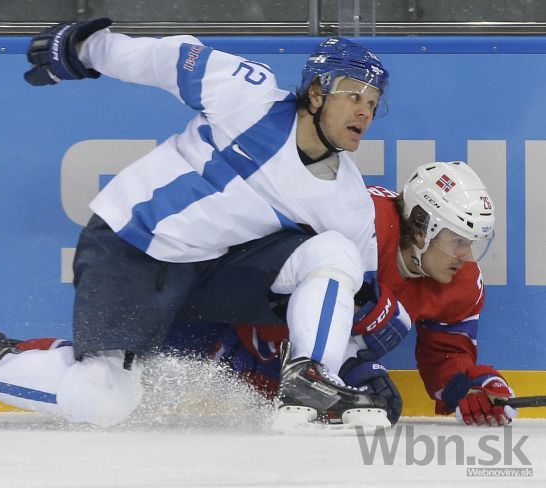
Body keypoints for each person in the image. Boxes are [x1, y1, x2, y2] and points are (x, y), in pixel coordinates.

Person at [0, 19, 398, 428]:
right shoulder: (248, 92)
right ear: (316, 91)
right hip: (129, 245)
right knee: (105, 401)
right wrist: (85, 48)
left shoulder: (348, 201)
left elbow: (355, 297)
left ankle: (311, 381)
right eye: (354, 94)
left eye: (373, 103)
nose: (364, 111)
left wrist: (357, 366)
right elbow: (166, 59)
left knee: (337, 254)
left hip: (211, 271)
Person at [165, 161, 516, 427]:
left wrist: (467, 386)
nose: (467, 256)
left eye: (471, 243)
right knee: (132, 390)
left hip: (299, 375)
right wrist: (364, 307)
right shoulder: (357, 218)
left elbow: (446, 354)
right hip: (224, 329)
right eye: (458, 240)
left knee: (380, 398)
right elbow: (265, 268)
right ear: (424, 225)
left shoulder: (462, 281)